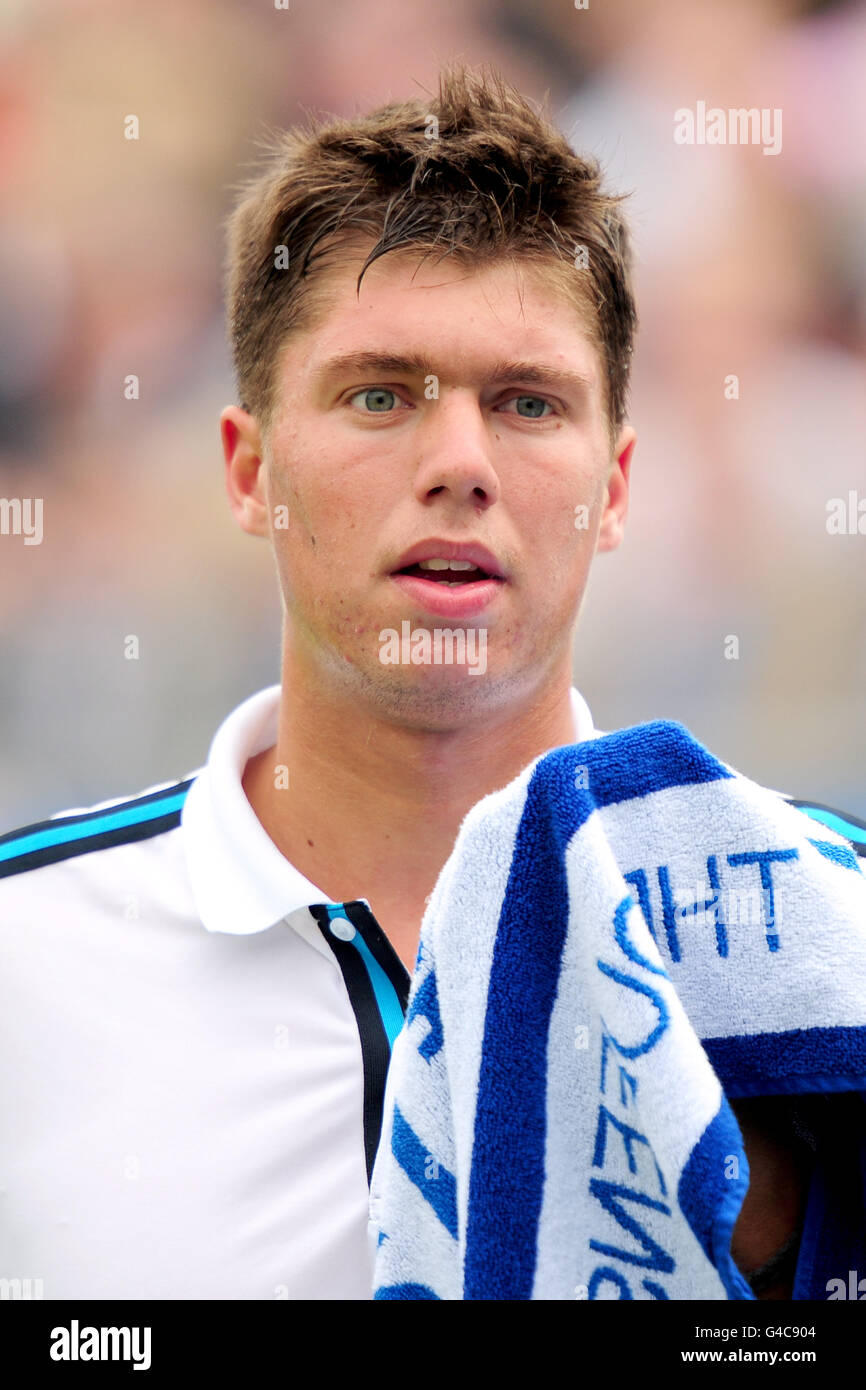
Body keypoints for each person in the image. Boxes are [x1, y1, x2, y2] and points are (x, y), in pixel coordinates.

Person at [1, 65, 863, 1302]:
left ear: (613, 487)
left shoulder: (827, 933)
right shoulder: (21, 956)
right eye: (378, 394)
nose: (458, 461)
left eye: (525, 402)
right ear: (249, 474)